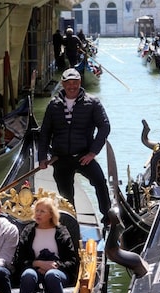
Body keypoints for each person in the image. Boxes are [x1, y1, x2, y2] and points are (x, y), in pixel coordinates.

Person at [38, 68, 111, 226]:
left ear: (80, 83)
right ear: (63, 84)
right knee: (66, 196)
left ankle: (108, 218)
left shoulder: (92, 103)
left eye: (75, 83)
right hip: (61, 157)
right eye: (68, 83)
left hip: (83, 156)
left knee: (100, 182)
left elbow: (104, 127)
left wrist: (92, 153)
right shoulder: (54, 105)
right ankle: (71, 225)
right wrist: (42, 157)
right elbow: (45, 132)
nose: (72, 86)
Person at [13, 197, 79, 293]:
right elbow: (19, 259)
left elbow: (72, 260)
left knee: (51, 275)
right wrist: (36, 264)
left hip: (58, 271)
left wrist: (55, 266)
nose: (38, 214)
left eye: (42, 211)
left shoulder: (61, 232)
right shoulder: (29, 231)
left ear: (51, 214)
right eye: (37, 210)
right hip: (34, 269)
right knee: (28, 275)